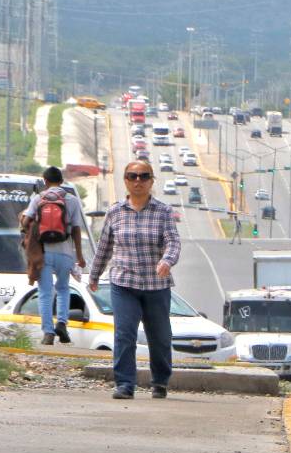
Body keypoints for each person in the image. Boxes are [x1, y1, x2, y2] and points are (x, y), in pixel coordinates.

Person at [88, 160, 181, 400]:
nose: (138, 181)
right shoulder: (115, 212)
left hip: (156, 285)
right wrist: (94, 275)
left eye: (143, 176)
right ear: (125, 181)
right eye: (132, 176)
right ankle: (125, 383)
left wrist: (167, 261)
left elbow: (173, 241)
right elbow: (104, 246)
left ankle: (160, 381)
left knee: (159, 337)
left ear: (151, 181)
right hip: (123, 283)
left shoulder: (163, 212)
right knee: (124, 333)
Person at [20, 166, 87, 345]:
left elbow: (26, 222)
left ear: (45, 181)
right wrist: (79, 256)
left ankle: (48, 333)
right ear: (62, 181)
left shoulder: (38, 198)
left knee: (45, 292)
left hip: (44, 253)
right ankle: (62, 324)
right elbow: (76, 229)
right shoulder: (71, 200)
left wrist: (32, 230)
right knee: (64, 289)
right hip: (65, 254)